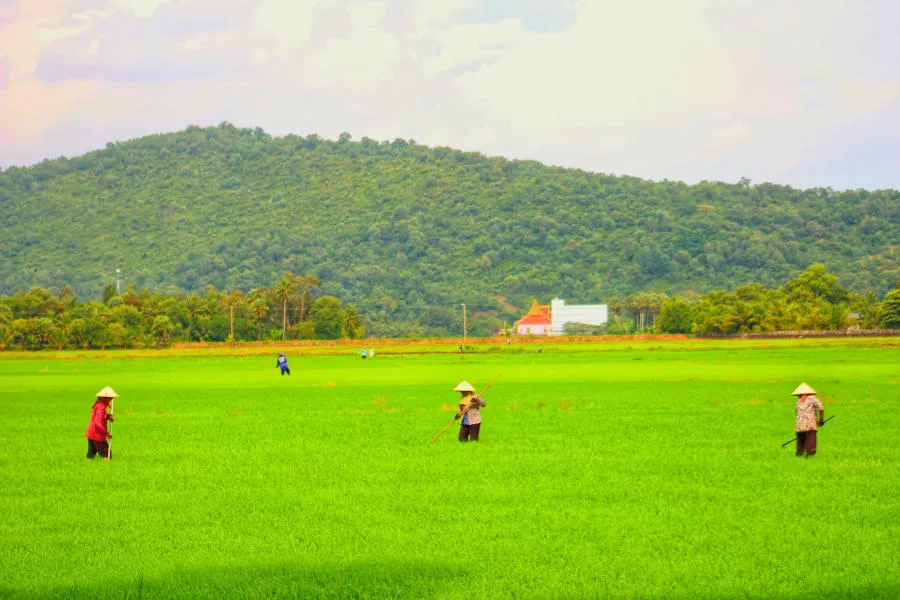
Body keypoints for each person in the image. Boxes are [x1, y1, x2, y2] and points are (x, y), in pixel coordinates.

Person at [792, 382, 825, 457]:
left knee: (800, 449)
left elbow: (797, 414)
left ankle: (800, 457)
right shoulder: (813, 398)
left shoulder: (798, 402)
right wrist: (821, 420)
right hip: (810, 426)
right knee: (810, 449)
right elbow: (821, 408)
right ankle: (809, 457)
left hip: (799, 427)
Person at [85, 386, 116, 460]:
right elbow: (97, 424)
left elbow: (100, 417)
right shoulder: (101, 407)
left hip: (91, 434)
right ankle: (107, 467)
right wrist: (106, 433)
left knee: (91, 454)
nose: (111, 400)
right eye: (110, 398)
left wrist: (108, 417)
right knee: (107, 453)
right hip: (97, 435)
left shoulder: (98, 405)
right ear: (104, 398)